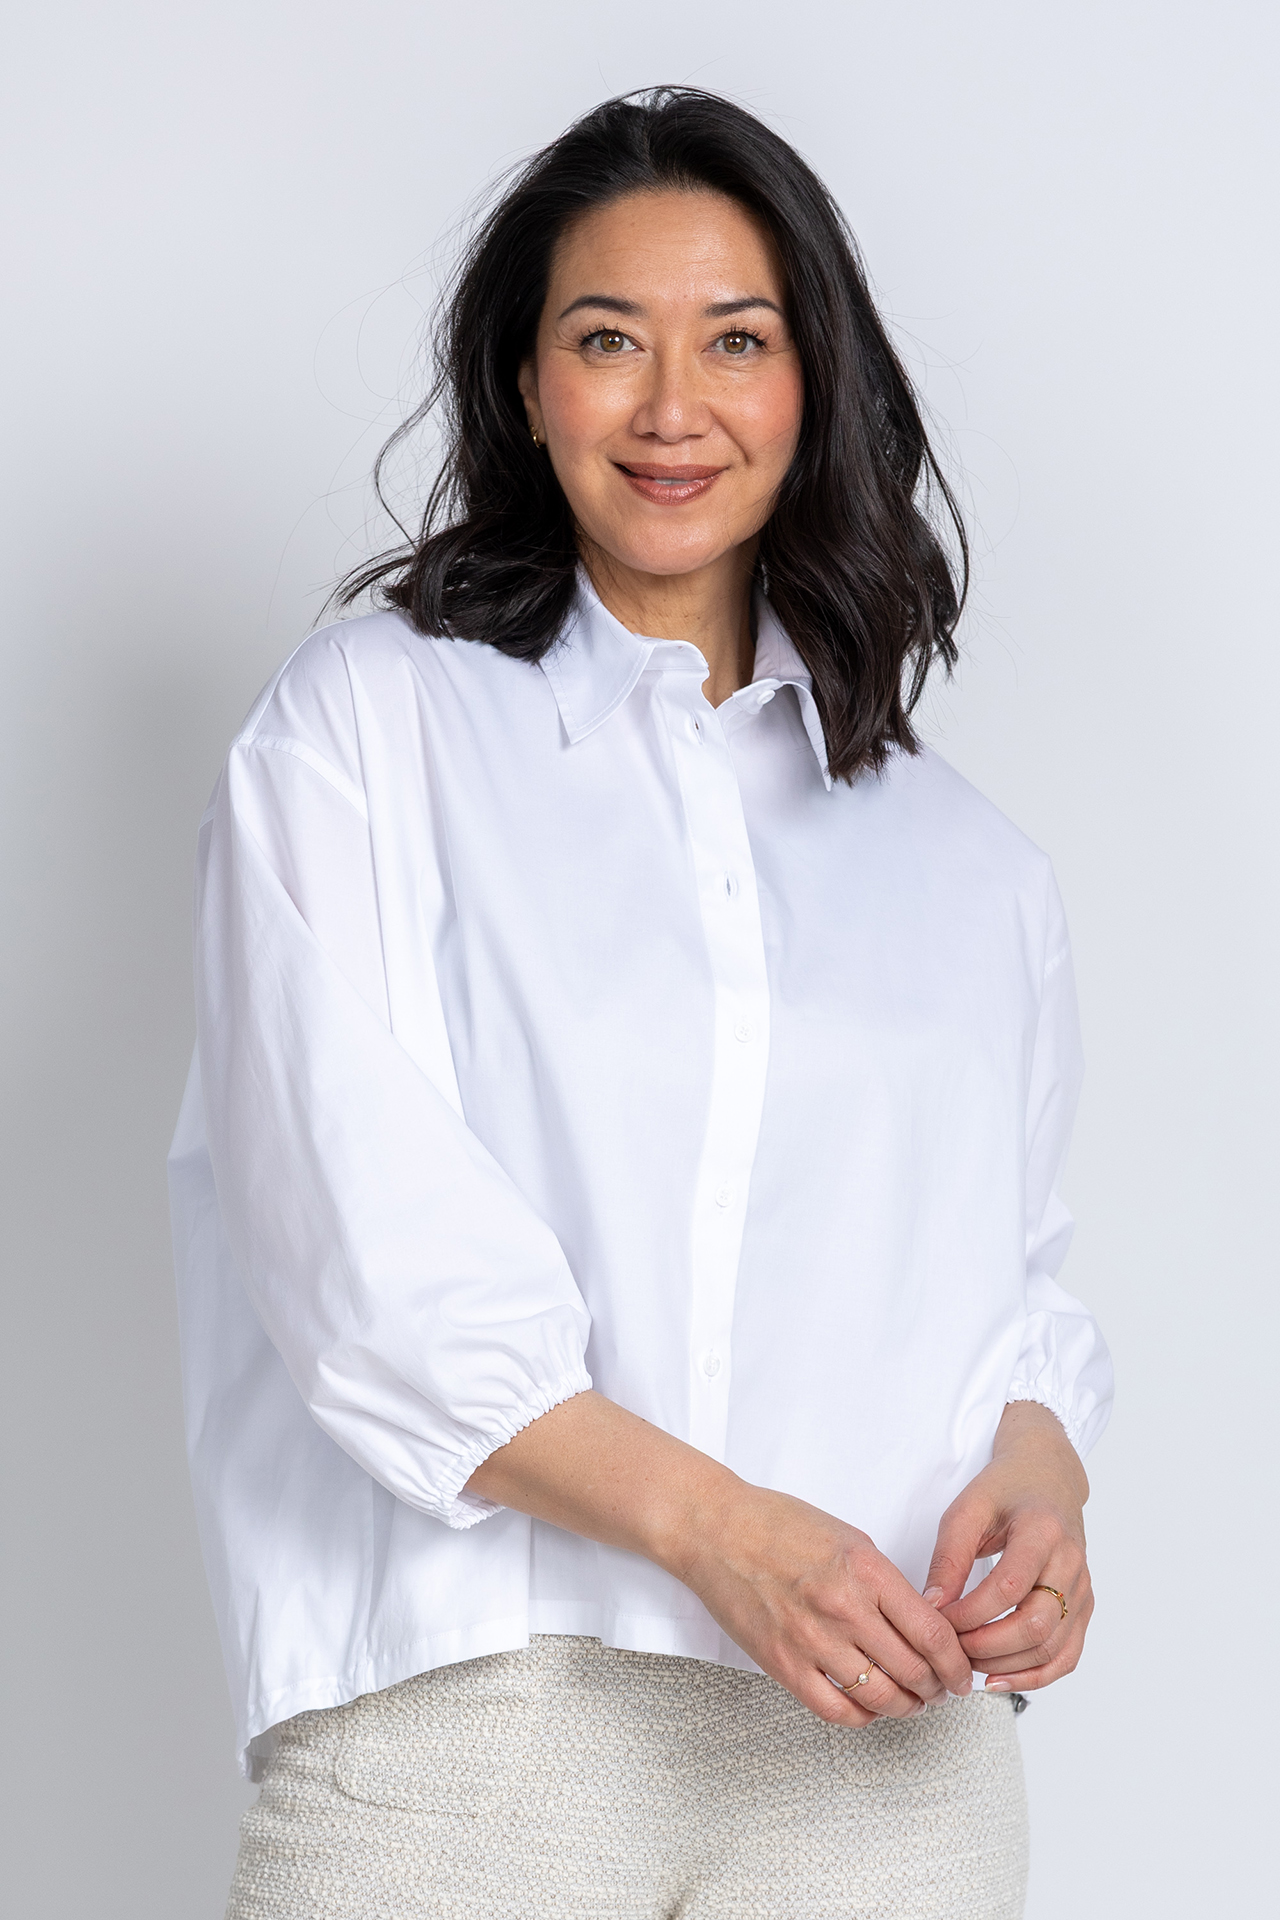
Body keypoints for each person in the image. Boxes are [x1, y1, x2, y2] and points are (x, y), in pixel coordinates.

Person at [170, 86, 1112, 1919]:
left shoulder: (969, 863)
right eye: (608, 340)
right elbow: (359, 1257)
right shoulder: (371, 728)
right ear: (527, 387)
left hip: (890, 1754)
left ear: (815, 383)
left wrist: (1044, 1475)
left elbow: (1007, 1289)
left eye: (737, 341)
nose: (673, 406)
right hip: (474, 1733)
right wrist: (722, 1534)